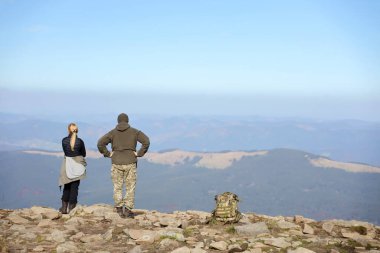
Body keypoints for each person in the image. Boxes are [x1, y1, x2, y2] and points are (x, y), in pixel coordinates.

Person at [97, 113, 150, 218]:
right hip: (130, 162)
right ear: (127, 121)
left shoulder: (112, 133)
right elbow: (146, 141)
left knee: (117, 187)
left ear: (118, 121)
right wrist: (139, 153)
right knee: (130, 187)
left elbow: (100, 143)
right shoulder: (135, 132)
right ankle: (128, 210)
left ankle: (119, 209)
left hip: (116, 162)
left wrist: (108, 154)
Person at [59, 123, 87, 214]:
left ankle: (64, 208)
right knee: (75, 187)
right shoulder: (80, 141)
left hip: (67, 165)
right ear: (77, 130)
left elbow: (65, 151)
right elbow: (84, 154)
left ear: (68, 130)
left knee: (67, 186)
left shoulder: (64, 141)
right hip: (78, 166)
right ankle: (71, 209)